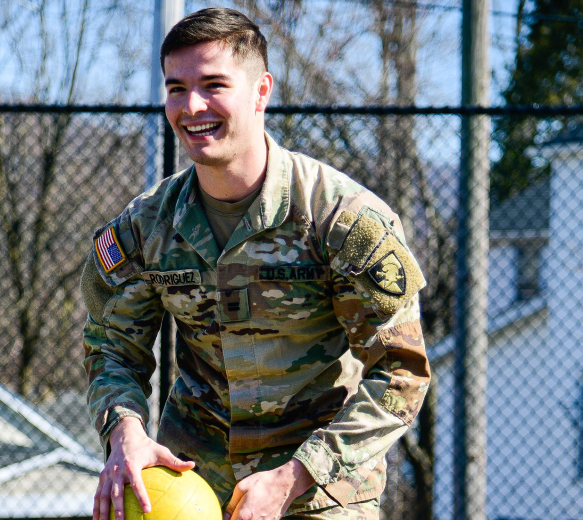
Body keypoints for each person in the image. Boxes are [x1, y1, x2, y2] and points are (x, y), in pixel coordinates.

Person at [81, 8, 430, 520]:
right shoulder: (143, 229)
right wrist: (124, 431)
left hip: (321, 491)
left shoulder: (343, 220)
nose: (191, 106)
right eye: (176, 88)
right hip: (192, 485)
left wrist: (296, 474)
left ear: (262, 89)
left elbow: (400, 370)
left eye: (213, 84)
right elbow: (111, 347)